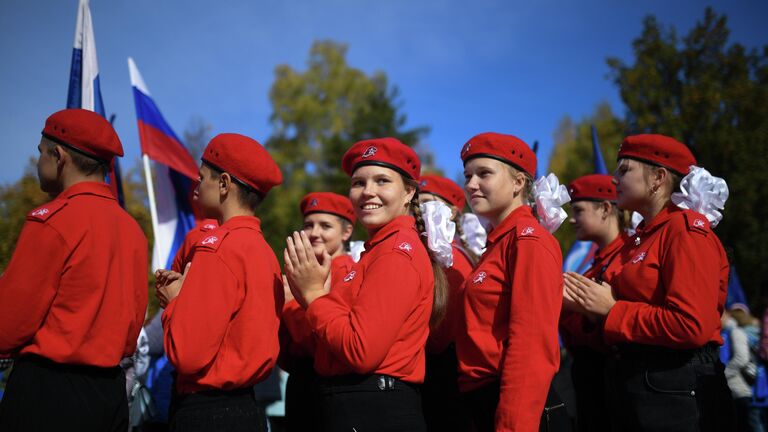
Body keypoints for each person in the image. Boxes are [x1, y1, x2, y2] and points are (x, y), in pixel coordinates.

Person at [564, 134, 733, 431]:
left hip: (675, 391)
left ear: (658, 177)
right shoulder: (644, 237)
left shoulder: (685, 231)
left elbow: (691, 325)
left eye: (624, 169)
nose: (614, 179)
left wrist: (612, 311)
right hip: (641, 385)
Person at [283, 137, 448, 431]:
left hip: (374, 408)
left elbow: (360, 350)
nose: (367, 192)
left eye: (382, 180)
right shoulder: (378, 251)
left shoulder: (396, 252)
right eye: (358, 183)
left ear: (409, 191)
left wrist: (312, 294)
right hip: (358, 404)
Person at [0, 108, 148, 431]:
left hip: (49, 393)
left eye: (41, 152)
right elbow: (130, 331)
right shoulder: (133, 231)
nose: (38, 161)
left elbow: (7, 325)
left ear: (59, 155)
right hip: (110, 391)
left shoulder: (53, 220)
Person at [155, 133, 284, 432]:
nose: (198, 187)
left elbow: (188, 355)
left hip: (208, 411)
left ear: (224, 184)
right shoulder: (263, 250)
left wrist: (175, 302)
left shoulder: (219, 246)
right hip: (245, 406)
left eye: (202, 178)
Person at [456, 132, 567, 431]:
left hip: (514, 405)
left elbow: (532, 345)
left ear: (519, 183)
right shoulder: (499, 243)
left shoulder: (527, 241)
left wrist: (512, 424)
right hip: (484, 400)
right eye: (467, 176)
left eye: (484, 174)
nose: (470, 184)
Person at [280, 191, 356, 432]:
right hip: (301, 382)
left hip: (330, 383)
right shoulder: (298, 270)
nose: (314, 233)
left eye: (325, 226)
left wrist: (289, 304)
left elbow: (316, 340)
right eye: (308, 225)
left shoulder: (347, 272)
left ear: (346, 232)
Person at [559, 174, 625, 432]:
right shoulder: (595, 264)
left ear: (605, 208)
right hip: (589, 375)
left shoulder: (625, 259)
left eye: (579, 210)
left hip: (611, 377)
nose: (572, 219)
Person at [417, 174, 475, 431]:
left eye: (429, 202)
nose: (421, 210)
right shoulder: (426, 253)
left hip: (444, 371)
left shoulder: (452, 259)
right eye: (417, 204)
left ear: (451, 212)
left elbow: (441, 334)